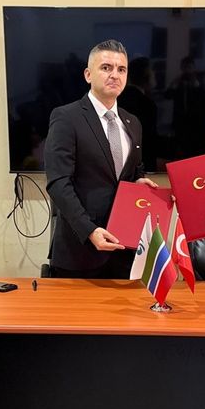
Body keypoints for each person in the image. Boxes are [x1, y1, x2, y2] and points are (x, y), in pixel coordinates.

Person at [45, 39, 158, 279]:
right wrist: (89, 231)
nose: (114, 75)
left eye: (121, 69)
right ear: (88, 74)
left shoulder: (132, 122)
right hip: (80, 251)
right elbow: (58, 183)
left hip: (125, 248)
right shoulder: (66, 117)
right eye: (106, 68)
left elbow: (134, 171)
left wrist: (139, 182)